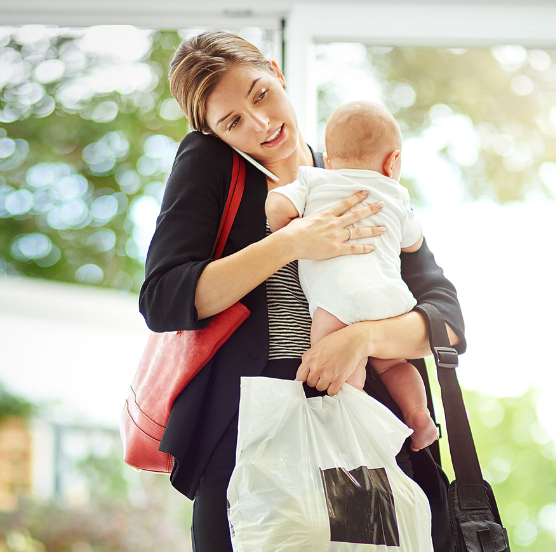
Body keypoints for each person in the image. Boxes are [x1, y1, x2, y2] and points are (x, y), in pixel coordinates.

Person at [139, 30, 465, 552]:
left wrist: (358, 341)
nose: (261, 124)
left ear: (277, 71)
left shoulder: (352, 168)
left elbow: (447, 323)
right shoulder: (212, 166)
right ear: (213, 133)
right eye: (233, 121)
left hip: (358, 439)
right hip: (250, 440)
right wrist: (291, 241)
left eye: (260, 94)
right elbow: (162, 297)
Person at [266, 101, 440, 452]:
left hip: (338, 296)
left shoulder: (314, 178)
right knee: (396, 365)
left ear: (328, 159)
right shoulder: (396, 193)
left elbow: (277, 207)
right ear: (392, 162)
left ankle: (351, 428)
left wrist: (293, 231)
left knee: (339, 364)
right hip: (391, 298)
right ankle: (418, 414)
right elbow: (413, 241)